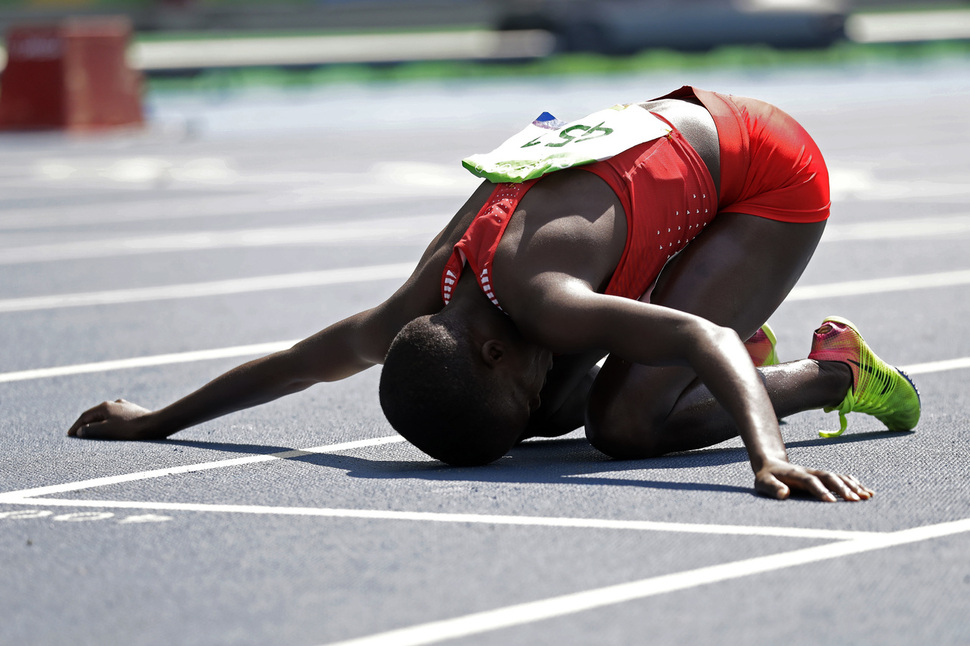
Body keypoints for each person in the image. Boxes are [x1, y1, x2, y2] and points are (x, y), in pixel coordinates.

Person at [67, 86, 921, 502]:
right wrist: (157, 421)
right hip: (669, 165)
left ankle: (836, 372)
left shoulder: (543, 299)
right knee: (556, 409)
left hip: (762, 176)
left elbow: (706, 337)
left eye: (509, 382)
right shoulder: (425, 304)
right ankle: (685, 353)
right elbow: (301, 363)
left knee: (621, 427)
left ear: (488, 344)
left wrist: (765, 458)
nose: (531, 392)